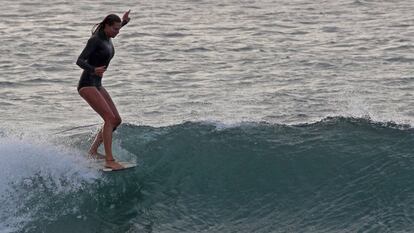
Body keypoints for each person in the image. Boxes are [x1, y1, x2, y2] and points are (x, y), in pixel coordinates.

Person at [76, 10, 131, 170]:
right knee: (109, 119)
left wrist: (124, 22)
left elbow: (117, 28)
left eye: (119, 29)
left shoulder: (107, 36)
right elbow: (79, 60)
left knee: (116, 120)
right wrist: (93, 69)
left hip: (98, 85)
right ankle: (109, 159)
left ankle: (93, 152)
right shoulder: (95, 40)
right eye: (115, 29)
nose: (117, 32)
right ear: (107, 26)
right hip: (87, 84)